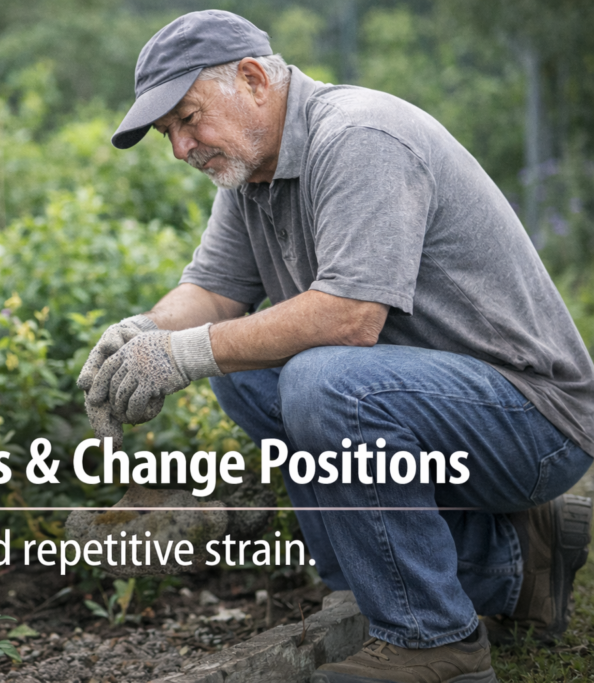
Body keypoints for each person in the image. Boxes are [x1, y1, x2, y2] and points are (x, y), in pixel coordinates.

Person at [77, 10, 594, 683]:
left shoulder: (359, 136)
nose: (180, 147)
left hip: (534, 417)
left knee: (322, 380)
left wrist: (185, 352)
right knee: (245, 372)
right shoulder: (251, 172)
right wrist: (146, 333)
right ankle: (507, 564)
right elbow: (214, 289)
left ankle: (435, 640)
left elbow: (351, 318)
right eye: (168, 133)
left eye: (187, 117)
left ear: (254, 79)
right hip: (442, 401)